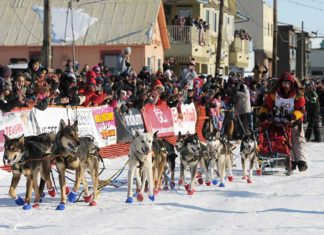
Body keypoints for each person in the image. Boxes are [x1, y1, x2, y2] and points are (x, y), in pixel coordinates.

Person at [259, 72, 308, 172]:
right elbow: (265, 106)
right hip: (278, 121)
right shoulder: (274, 94)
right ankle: (291, 161)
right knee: (285, 142)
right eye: (284, 83)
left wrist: (294, 116)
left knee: (298, 140)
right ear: (280, 83)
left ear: (292, 83)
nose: (285, 85)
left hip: (294, 121)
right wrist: (263, 113)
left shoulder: (298, 94)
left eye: (288, 83)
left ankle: (302, 161)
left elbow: (302, 110)